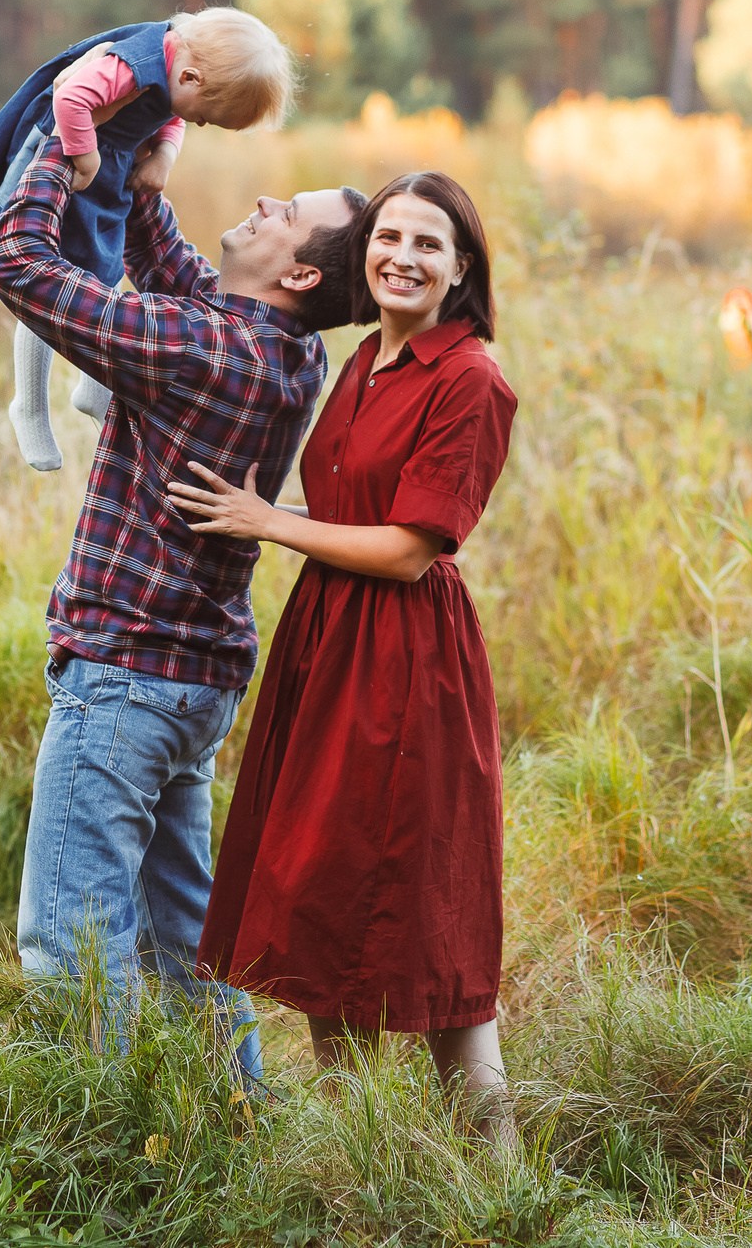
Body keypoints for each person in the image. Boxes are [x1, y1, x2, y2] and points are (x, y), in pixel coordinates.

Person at [0, 123, 365, 1082]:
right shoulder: (284, 352)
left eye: (290, 213)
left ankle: (101, 1135)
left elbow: (17, 264)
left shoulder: (203, 348)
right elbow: (184, 279)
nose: (268, 202)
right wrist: (143, 182)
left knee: (71, 936)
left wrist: (57, 152)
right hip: (192, 684)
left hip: (125, 680)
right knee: (183, 935)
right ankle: (235, 1115)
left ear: (302, 274)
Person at [169, 171, 520, 1137]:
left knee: (424, 911)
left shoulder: (470, 379)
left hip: (406, 665)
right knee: (325, 894)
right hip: (329, 646)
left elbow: (409, 550)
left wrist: (265, 520)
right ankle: (357, 1156)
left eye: (428, 243)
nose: (402, 257)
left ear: (461, 268)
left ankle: (499, 1179)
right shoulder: (365, 358)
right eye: (388, 237)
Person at [0, 7, 296, 473]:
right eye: (204, 118)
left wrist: (164, 156)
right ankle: (28, 404)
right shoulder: (134, 66)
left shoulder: (181, 68)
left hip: (106, 164)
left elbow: (173, 113)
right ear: (191, 79)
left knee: (105, 266)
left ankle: (93, 389)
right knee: (50, 277)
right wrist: (85, 157)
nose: (197, 123)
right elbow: (70, 97)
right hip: (68, 156)